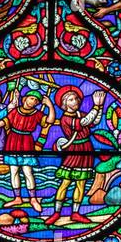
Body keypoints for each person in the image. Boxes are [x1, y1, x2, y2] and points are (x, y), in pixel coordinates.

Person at [0, 86, 56, 213]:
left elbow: (50, 120)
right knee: (14, 171)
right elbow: (5, 122)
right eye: (32, 98)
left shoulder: (37, 114)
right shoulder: (15, 111)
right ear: (25, 99)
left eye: (37, 101)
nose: (34, 102)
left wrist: (50, 105)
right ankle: (17, 198)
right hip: (12, 141)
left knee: (28, 172)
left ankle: (33, 199)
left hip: (27, 142)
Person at [48, 85, 106, 226]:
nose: (76, 102)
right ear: (64, 104)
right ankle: (56, 213)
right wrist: (96, 106)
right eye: (71, 100)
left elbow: (94, 121)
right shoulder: (66, 119)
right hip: (74, 150)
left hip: (86, 149)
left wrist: (99, 107)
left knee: (81, 184)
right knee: (65, 183)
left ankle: (75, 213)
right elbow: (84, 123)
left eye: (76, 99)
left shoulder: (80, 113)